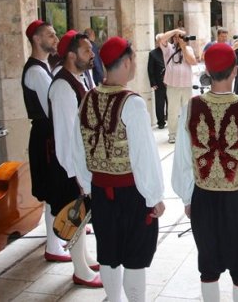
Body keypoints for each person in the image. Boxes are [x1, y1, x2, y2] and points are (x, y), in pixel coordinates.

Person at [172, 43, 238, 302]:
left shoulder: (190, 108)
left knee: (208, 265)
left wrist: (187, 197)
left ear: (207, 71)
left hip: (203, 197)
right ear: (235, 70)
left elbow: (182, 160)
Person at [71, 36, 166, 302]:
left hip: (101, 191)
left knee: (108, 253)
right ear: (126, 63)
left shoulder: (87, 99)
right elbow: (144, 156)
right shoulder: (132, 103)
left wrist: (89, 185)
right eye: (134, 59)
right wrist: (154, 196)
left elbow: (77, 148)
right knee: (135, 255)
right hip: (132, 193)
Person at [48, 30, 101, 287]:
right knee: (74, 216)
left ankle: (84, 258)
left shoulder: (76, 79)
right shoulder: (62, 86)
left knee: (82, 214)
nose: (92, 54)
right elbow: (65, 134)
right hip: (68, 165)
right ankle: (80, 270)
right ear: (71, 55)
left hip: (78, 163)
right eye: (86, 50)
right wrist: (76, 173)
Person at [21, 19, 69, 262]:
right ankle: (53, 246)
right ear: (37, 39)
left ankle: (59, 236)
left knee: (56, 187)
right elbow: (52, 108)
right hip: (46, 137)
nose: (55, 39)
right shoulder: (36, 72)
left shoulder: (43, 67)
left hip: (47, 134)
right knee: (52, 189)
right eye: (50, 35)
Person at [160, 28, 198, 144]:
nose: (179, 38)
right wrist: (175, 31)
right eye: (177, 37)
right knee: (173, 111)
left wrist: (183, 47)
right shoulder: (168, 48)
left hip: (186, 85)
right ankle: (173, 134)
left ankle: (188, 133)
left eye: (181, 36)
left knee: (188, 110)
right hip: (173, 85)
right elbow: (161, 38)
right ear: (173, 38)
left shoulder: (188, 49)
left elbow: (193, 62)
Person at [147, 34, 167, 129]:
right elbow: (150, 69)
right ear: (157, 42)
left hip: (171, 81)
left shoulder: (170, 51)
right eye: (162, 40)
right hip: (159, 82)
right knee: (160, 103)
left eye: (165, 40)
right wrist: (153, 83)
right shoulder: (153, 54)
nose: (164, 42)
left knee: (171, 102)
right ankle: (161, 122)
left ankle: (171, 119)